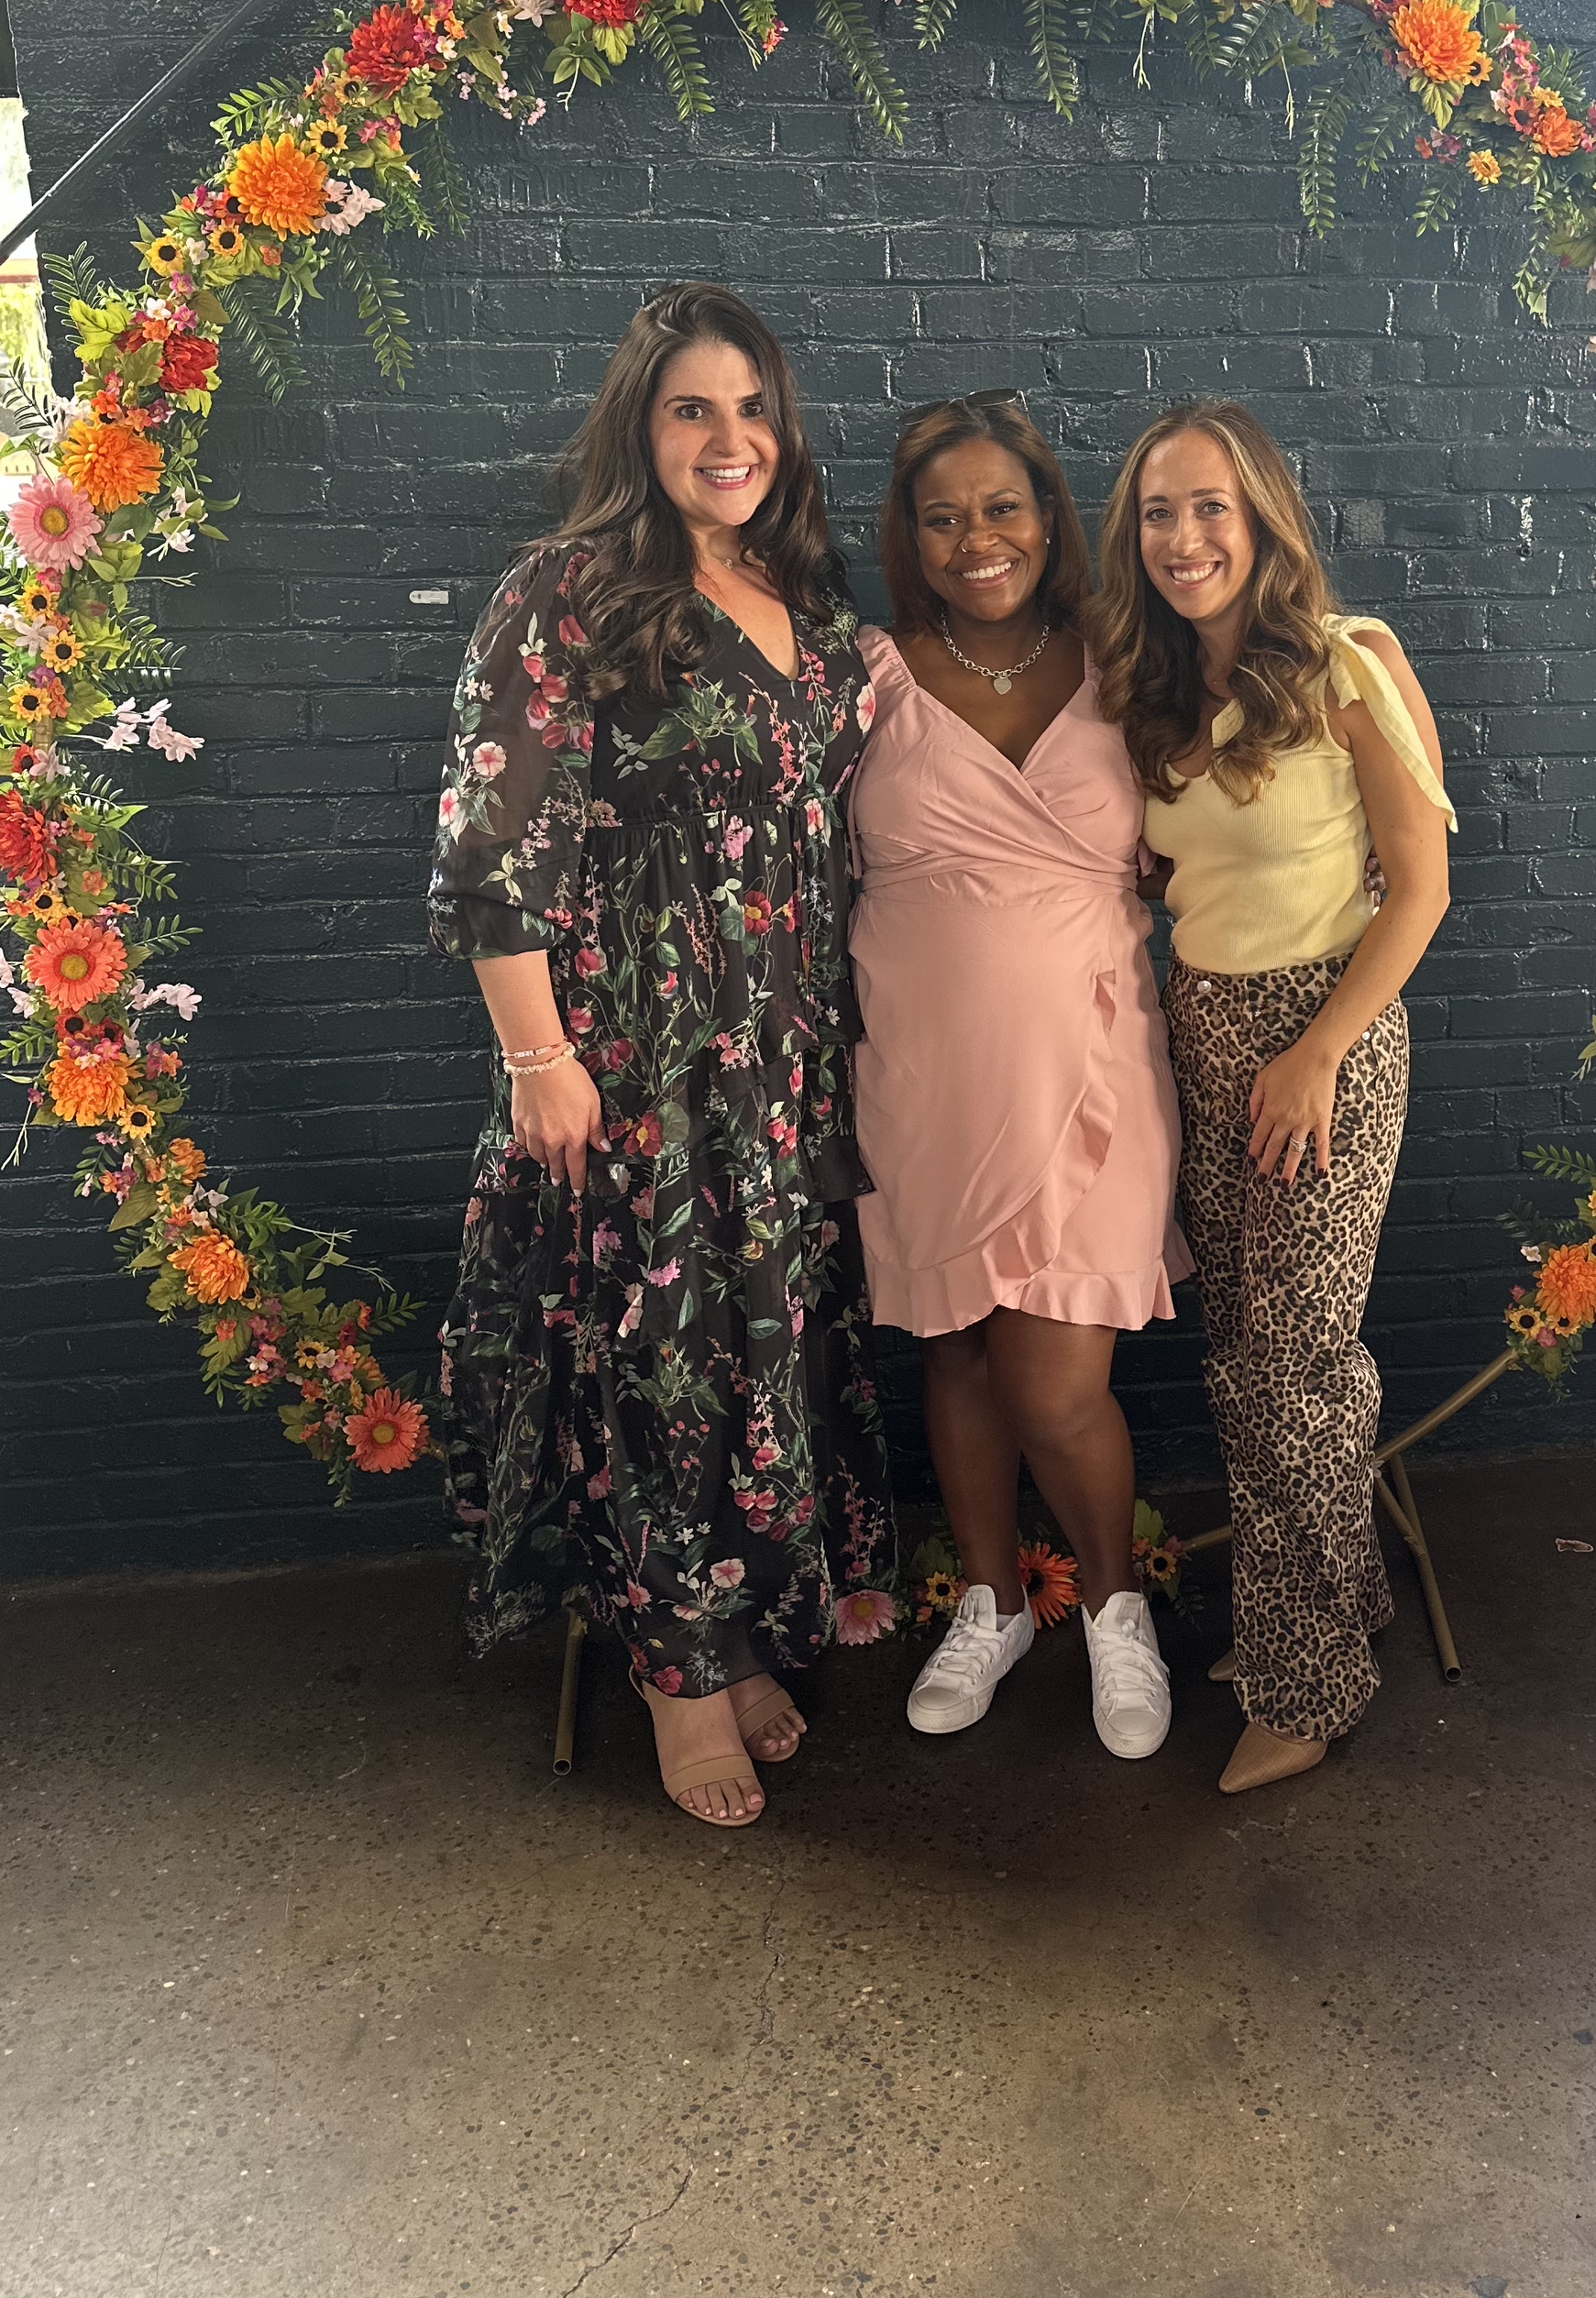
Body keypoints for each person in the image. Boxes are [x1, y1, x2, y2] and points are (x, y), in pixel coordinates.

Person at [429, 281, 892, 1831]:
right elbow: (491, 848)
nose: (730, 436)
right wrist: (534, 1059)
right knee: (657, 1366)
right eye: (694, 407)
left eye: (754, 407)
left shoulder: (806, 602)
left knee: (766, 1357)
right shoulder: (564, 592)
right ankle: (673, 1671)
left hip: (784, 1064)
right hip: (634, 1060)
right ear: (642, 422)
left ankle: (737, 1629)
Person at [1092, 399, 1454, 1797]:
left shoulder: (1353, 665)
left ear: (1263, 521)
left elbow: (1420, 887)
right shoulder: (1160, 691)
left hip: (1328, 1034)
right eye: (1159, 514)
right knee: (1247, 1355)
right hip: (1203, 1035)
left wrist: (1316, 1054)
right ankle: (1324, 1607)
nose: (1185, 538)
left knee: (1295, 1366)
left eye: (1211, 509)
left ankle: (1310, 1687)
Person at [850, 392, 1188, 1760]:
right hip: (921, 1075)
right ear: (910, 538)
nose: (975, 539)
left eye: (1002, 508)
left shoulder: (1131, 661)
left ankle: (1113, 1605)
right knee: (959, 1355)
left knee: (1054, 1382)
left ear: (1051, 519)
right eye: (944, 518)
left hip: (1097, 1068)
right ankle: (989, 1600)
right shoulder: (863, 674)